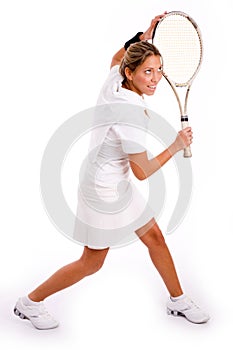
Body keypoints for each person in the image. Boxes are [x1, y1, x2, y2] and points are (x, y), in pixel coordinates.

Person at [14, 12, 210, 329]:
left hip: (116, 182)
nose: (156, 78)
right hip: (101, 191)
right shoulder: (129, 113)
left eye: (159, 70)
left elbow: (116, 56)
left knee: (155, 238)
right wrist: (175, 145)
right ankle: (29, 303)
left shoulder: (115, 80)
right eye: (148, 71)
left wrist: (144, 35)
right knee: (92, 261)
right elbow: (142, 172)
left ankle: (178, 300)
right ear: (131, 74)